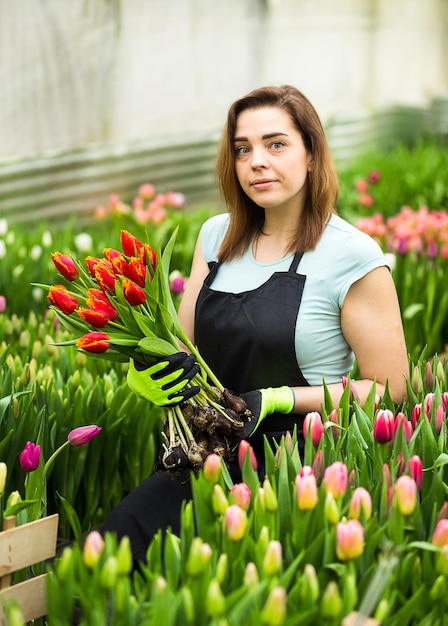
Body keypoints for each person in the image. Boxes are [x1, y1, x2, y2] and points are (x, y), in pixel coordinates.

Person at [100, 85, 409, 564]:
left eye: (276, 144)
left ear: (311, 154)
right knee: (113, 557)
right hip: (209, 452)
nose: (256, 161)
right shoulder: (217, 237)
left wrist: (280, 398)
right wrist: (148, 377)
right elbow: (180, 348)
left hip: (301, 467)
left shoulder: (351, 255)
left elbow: (391, 389)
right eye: (243, 149)